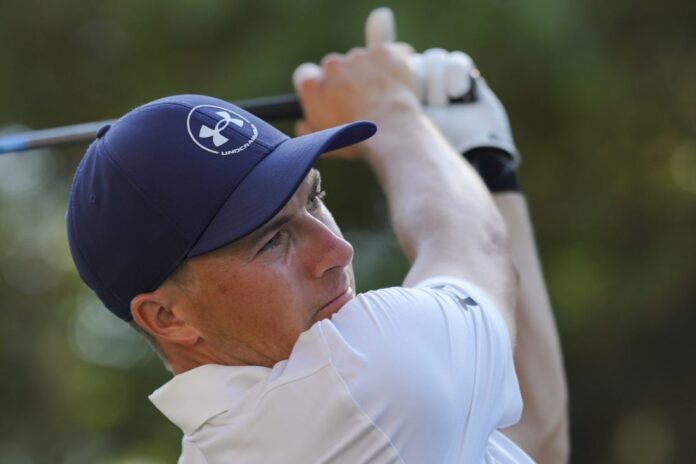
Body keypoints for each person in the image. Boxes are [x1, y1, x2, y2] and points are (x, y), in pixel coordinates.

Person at [66, 9, 568, 463]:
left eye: (313, 199)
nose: (337, 250)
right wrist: (393, 110)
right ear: (167, 317)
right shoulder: (359, 386)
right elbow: (475, 245)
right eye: (271, 242)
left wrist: (483, 160)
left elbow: (535, 440)